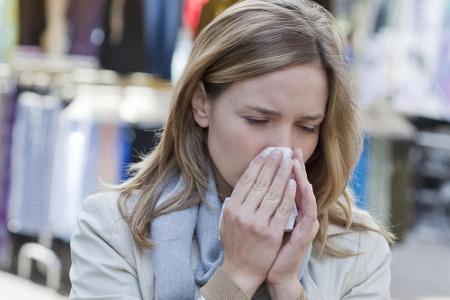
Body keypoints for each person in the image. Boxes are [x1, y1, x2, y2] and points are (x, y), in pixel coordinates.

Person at [69, 0, 394, 299]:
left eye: (307, 127)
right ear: (201, 104)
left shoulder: (357, 249)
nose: (283, 147)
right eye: (257, 120)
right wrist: (238, 274)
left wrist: (287, 287)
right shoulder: (114, 229)